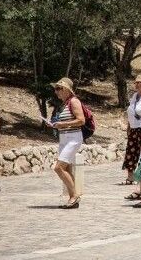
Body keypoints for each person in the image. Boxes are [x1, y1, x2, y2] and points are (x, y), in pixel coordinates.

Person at [46, 77, 85, 208]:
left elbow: (81, 120)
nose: (56, 92)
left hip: (73, 138)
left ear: (66, 89)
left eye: (59, 88)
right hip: (64, 138)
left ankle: (74, 196)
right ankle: (72, 199)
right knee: (66, 168)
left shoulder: (74, 101)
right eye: (55, 89)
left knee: (59, 168)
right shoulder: (64, 104)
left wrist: (62, 124)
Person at [121, 74, 141, 186]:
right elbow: (131, 112)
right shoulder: (134, 96)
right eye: (136, 82)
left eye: (140, 83)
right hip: (133, 128)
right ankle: (130, 177)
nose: (137, 85)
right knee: (131, 152)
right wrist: (129, 126)